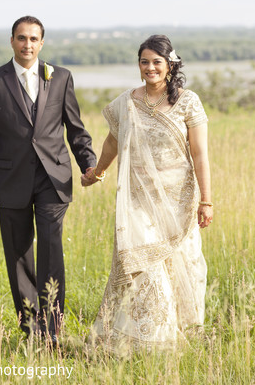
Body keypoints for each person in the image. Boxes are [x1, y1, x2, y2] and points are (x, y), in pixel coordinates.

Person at [82, 34, 213, 353]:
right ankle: (142, 342)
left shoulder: (188, 101)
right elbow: (112, 141)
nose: (150, 67)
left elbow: (199, 154)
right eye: (144, 62)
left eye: (157, 62)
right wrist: (97, 171)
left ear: (170, 65)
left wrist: (206, 200)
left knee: (185, 266)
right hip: (137, 203)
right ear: (138, 65)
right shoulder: (127, 101)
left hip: (178, 203)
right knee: (143, 267)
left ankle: (182, 335)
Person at [0, 15, 96, 341]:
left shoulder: (61, 77)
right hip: (10, 181)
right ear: (12, 41)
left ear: (42, 43)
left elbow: (75, 128)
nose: (27, 44)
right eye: (21, 38)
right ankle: (31, 330)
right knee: (18, 255)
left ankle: (53, 330)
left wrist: (88, 164)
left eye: (33, 39)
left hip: (53, 179)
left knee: (51, 249)